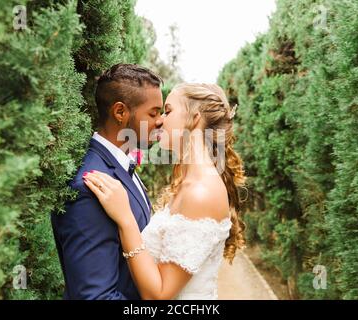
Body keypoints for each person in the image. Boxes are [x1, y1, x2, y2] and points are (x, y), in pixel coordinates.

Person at [83, 83, 246, 299]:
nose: (160, 120)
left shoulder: (201, 193)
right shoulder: (190, 183)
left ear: (195, 118)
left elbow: (158, 295)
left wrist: (125, 219)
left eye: (168, 111)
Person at [51, 63, 164, 299]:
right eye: (153, 113)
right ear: (120, 112)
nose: (161, 121)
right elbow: (95, 296)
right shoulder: (89, 188)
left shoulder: (120, 166)